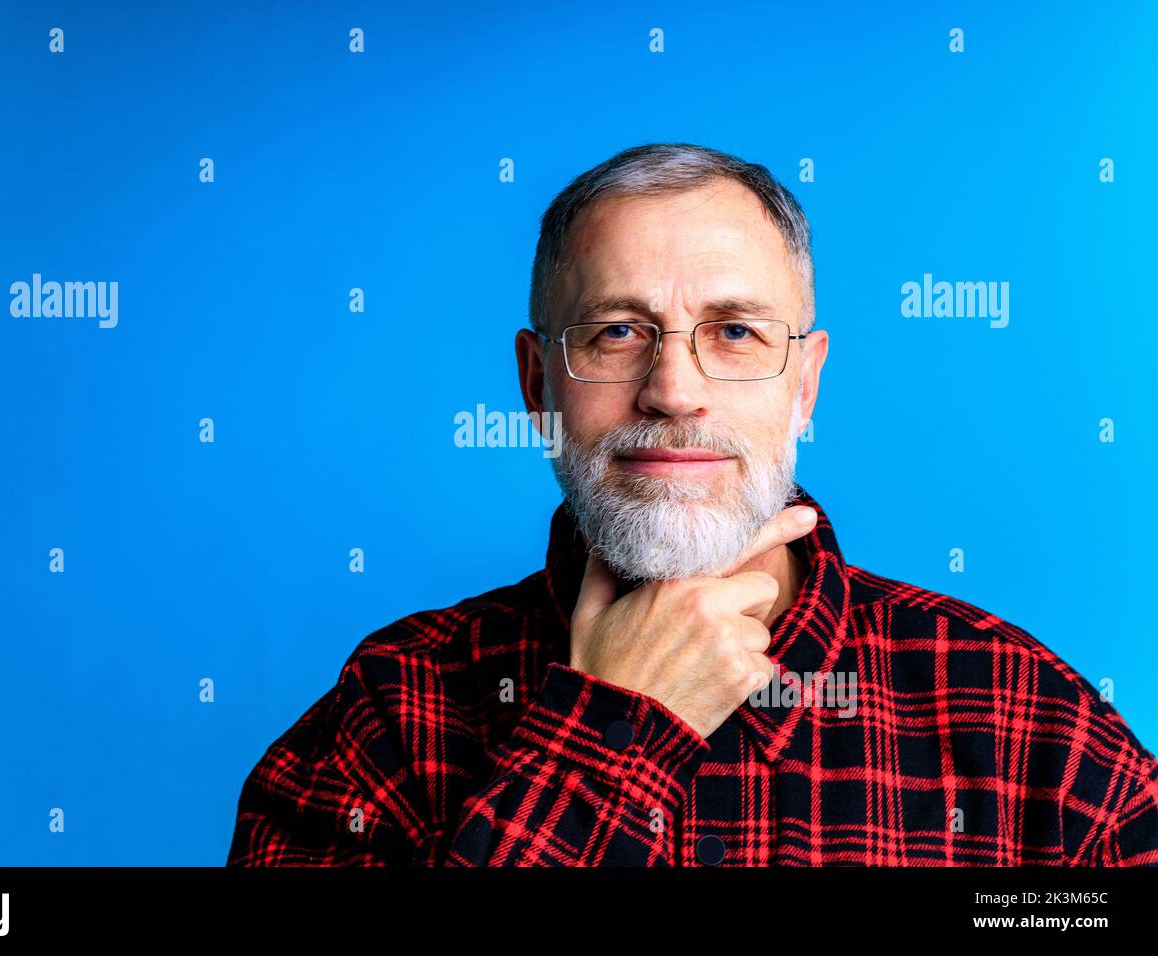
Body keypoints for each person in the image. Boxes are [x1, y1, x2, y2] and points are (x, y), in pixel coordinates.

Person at [227, 143, 1158, 866]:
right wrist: (604, 730)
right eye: (619, 331)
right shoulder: (389, 716)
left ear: (805, 385)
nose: (674, 390)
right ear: (537, 383)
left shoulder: (1034, 728)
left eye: (736, 331)